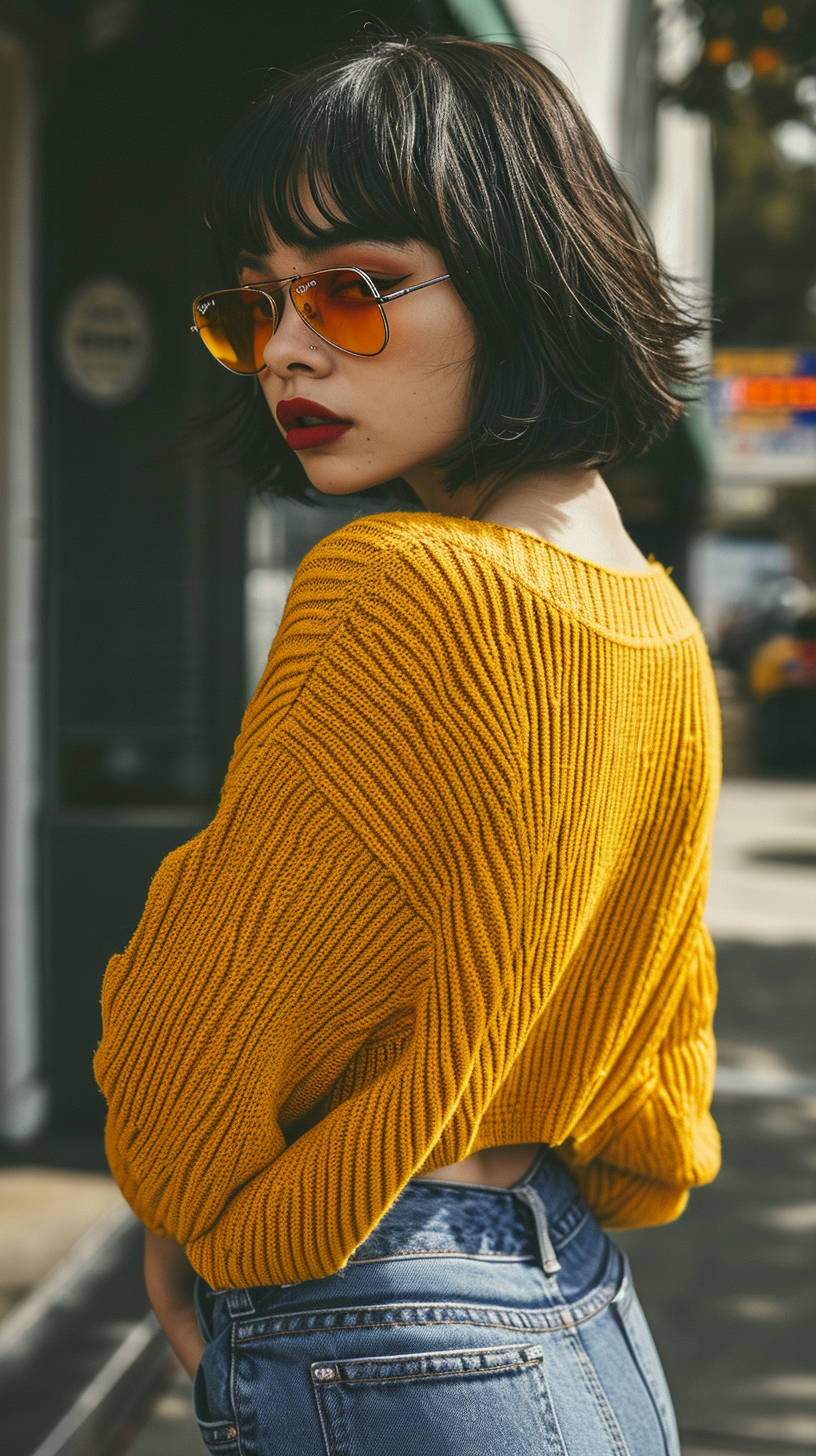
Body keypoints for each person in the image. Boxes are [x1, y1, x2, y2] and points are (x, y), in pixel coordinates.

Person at [95, 35, 721, 1455]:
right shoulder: (660, 634)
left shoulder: (398, 588)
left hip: (380, 1323)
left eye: (355, 291)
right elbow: (662, 1103)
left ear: (521, 274)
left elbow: (199, 1070)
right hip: (581, 1304)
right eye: (255, 307)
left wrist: (197, 1217)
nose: (289, 349)